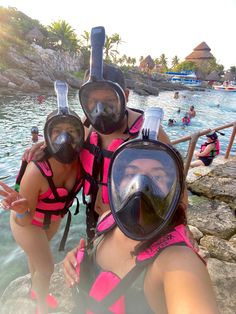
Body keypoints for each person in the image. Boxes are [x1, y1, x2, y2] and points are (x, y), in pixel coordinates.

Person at [63, 128, 219, 314]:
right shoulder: (106, 220)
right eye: (130, 174)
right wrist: (78, 259)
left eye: (158, 177)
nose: (140, 185)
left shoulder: (178, 262)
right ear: (115, 183)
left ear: (175, 191)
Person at [0, 81, 85, 314]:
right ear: (47, 136)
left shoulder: (83, 161)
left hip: (52, 220)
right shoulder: (37, 170)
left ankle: (34, 289)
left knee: (37, 260)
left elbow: (96, 126)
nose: (64, 139)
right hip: (26, 221)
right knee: (46, 268)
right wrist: (20, 209)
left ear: (80, 135)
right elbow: (23, 220)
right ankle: (40, 307)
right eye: (56, 132)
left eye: (71, 132)